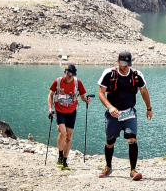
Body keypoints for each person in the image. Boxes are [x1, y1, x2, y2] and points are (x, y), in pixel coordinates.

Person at [97, 51, 152, 180]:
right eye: (123, 63)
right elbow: (101, 93)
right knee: (110, 141)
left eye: (127, 64)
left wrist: (149, 108)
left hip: (129, 112)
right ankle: (108, 167)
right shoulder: (109, 74)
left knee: (132, 138)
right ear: (118, 62)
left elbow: (144, 92)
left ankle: (133, 170)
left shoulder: (136, 75)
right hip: (113, 114)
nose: (125, 66)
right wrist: (110, 107)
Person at [48, 64, 91, 170]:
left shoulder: (77, 82)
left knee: (69, 136)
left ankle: (65, 161)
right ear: (64, 72)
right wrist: (50, 108)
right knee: (62, 133)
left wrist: (86, 99)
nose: (70, 76)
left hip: (71, 112)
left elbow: (82, 96)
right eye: (68, 74)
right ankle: (60, 156)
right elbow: (50, 95)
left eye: (72, 74)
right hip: (59, 111)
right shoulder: (57, 81)